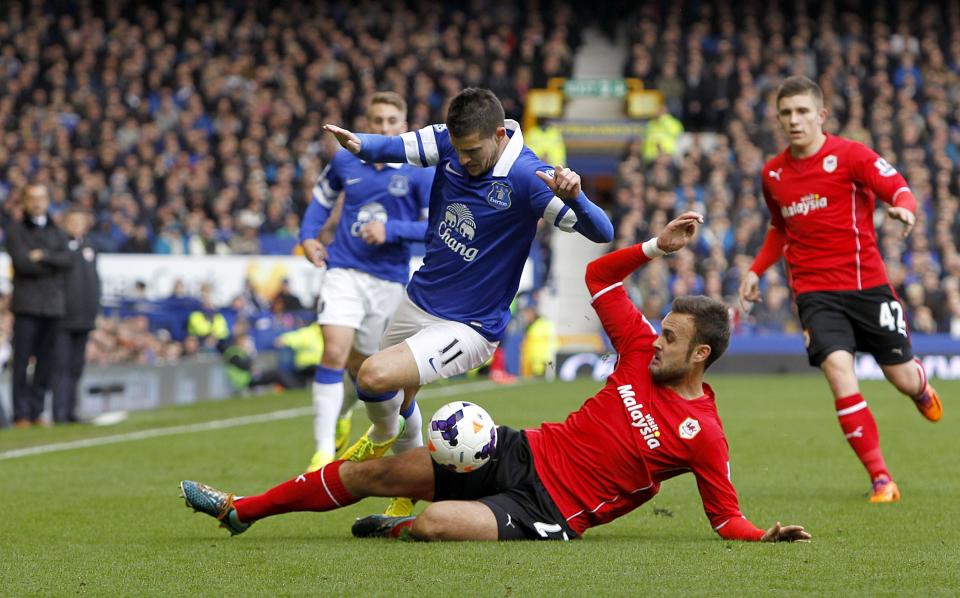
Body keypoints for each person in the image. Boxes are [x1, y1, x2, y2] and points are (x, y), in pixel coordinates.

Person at [179, 212, 811, 545]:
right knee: (371, 472)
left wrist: (765, 536)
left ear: (700, 356)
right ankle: (243, 510)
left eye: (671, 337)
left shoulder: (704, 433)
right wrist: (653, 248)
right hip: (519, 448)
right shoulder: (640, 348)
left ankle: (403, 525)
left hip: (550, 511)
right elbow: (599, 280)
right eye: (661, 329)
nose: (656, 340)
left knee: (435, 525)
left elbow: (727, 520)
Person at [322, 88, 613, 516]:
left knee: (373, 374)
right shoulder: (448, 143)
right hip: (419, 298)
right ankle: (407, 487)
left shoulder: (530, 179)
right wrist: (360, 144)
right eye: (457, 151)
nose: (463, 160)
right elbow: (396, 147)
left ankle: (381, 438)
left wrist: (577, 197)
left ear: (498, 135)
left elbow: (602, 231)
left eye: (472, 151)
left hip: (469, 326)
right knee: (387, 393)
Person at [738, 76, 941, 503]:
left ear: (821, 115)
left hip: (868, 286)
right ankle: (881, 478)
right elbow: (780, 228)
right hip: (815, 293)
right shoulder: (772, 173)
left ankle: (920, 386)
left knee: (901, 378)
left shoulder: (851, 155)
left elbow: (899, 188)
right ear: (778, 119)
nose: (794, 120)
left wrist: (903, 210)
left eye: (802, 112)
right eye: (786, 113)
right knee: (838, 372)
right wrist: (757, 269)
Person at [299, 92, 434, 479]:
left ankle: (345, 410)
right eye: (377, 121)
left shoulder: (420, 171)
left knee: (368, 369)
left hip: (389, 281)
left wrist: (391, 230)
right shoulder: (346, 159)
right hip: (343, 269)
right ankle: (323, 452)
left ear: (404, 126)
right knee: (334, 352)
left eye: (392, 121)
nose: (384, 128)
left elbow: (432, 229)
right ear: (368, 123)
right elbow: (321, 200)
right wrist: (309, 236)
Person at [5, 184, 72, 427]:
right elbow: (23, 264)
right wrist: (51, 261)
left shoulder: (56, 230)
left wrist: (43, 255)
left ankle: (37, 410)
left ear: (47, 200)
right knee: (22, 361)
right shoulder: (15, 230)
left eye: (41, 198)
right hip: (27, 306)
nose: (37, 203)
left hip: (53, 306)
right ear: (24, 201)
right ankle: (21, 412)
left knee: (46, 361)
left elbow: (67, 260)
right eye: (32, 198)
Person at [52, 208, 101, 423]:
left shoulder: (90, 247)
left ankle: (71, 411)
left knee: (76, 367)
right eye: (73, 222)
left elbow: (95, 282)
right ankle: (59, 412)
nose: (77, 226)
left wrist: (94, 310)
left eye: (81, 221)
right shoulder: (59, 246)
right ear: (65, 224)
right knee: (60, 366)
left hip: (85, 318)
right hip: (63, 318)